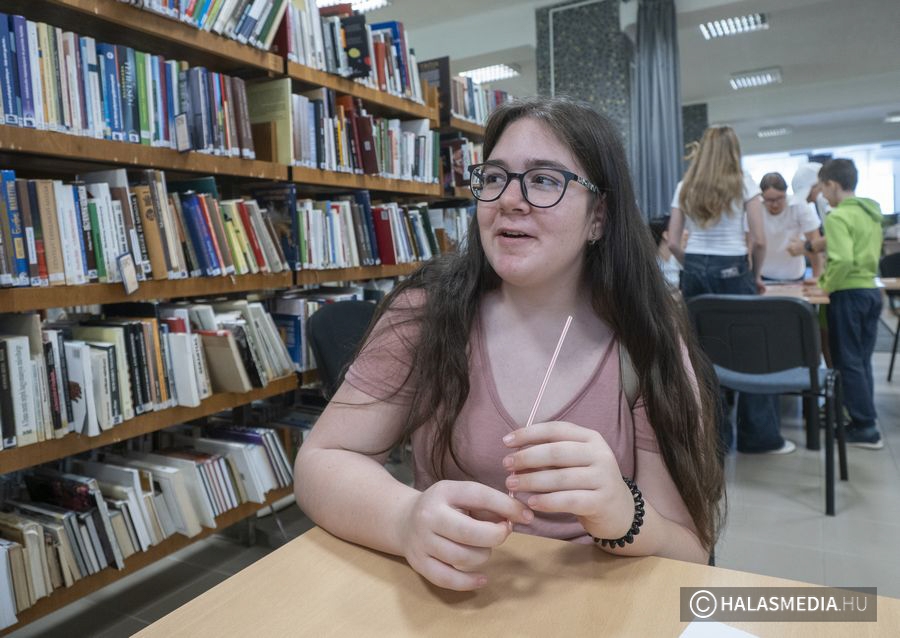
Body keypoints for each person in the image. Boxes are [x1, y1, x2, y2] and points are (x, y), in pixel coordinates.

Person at [294, 96, 724, 592]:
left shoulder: (645, 341)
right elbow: (321, 461)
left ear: (599, 217)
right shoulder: (426, 315)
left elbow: (690, 551)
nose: (509, 199)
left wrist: (624, 512)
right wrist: (404, 518)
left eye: (544, 179)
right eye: (495, 177)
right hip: (449, 603)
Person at [667, 125, 795, 455]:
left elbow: (672, 242)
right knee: (751, 354)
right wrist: (754, 275)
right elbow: (759, 240)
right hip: (735, 269)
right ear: (733, 151)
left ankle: (714, 441)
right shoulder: (744, 182)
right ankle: (759, 437)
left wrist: (693, 265)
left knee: (702, 356)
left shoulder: (685, 185)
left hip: (695, 269)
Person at [817, 159, 884, 449]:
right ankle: (865, 417)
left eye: (823, 188)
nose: (822, 195)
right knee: (861, 360)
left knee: (847, 360)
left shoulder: (838, 217)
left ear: (832, 184)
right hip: (870, 290)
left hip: (847, 294)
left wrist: (826, 285)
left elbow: (843, 260)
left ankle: (865, 427)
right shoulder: (871, 213)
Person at [758, 172, 823, 281]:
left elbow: (815, 244)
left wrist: (817, 278)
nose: (775, 204)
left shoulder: (798, 205)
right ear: (762, 197)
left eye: (780, 198)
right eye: (769, 200)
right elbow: (749, 246)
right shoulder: (756, 209)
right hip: (763, 273)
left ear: (786, 192)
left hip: (794, 274)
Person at [786, 162, 828, 258]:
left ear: (817, 185)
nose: (807, 200)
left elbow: (838, 237)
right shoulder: (821, 202)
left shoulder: (823, 199)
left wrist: (805, 246)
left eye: (808, 195)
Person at [648, 215, 682, 289]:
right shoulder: (649, 263)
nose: (684, 232)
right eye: (678, 229)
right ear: (666, 235)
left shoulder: (679, 261)